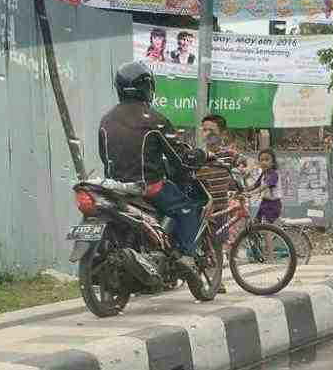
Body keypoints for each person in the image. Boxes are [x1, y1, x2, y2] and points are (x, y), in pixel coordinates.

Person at [98, 60, 209, 280]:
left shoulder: (106, 120)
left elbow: (104, 156)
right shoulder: (155, 120)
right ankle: (186, 256)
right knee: (187, 209)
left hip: (115, 189)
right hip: (148, 188)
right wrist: (202, 155)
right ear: (147, 87)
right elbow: (181, 159)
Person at [196, 114, 244, 293]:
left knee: (217, 244)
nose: (207, 133)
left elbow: (246, 165)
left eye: (211, 130)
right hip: (202, 208)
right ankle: (206, 279)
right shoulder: (198, 154)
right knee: (202, 246)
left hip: (221, 206)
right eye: (204, 129)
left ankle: (217, 280)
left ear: (222, 133)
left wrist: (240, 175)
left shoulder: (229, 154)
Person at [245, 149, 282, 260]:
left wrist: (251, 194)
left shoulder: (274, 175)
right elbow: (255, 185)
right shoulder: (263, 173)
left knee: (267, 230)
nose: (264, 162)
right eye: (261, 160)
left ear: (273, 162)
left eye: (267, 159)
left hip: (273, 204)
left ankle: (270, 257)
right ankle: (258, 252)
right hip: (264, 203)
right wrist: (243, 190)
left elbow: (263, 187)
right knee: (254, 225)